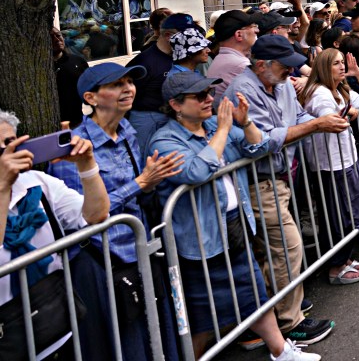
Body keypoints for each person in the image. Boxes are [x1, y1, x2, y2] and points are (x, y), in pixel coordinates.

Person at [149, 72, 319, 361]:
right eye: (199, 96)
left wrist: (247, 121)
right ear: (176, 105)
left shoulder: (215, 124)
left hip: (234, 222)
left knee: (252, 291)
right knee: (204, 315)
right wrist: (225, 130)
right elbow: (195, 172)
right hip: (200, 237)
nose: (209, 100)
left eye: (209, 93)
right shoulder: (165, 140)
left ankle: (281, 351)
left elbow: (259, 146)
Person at [53, 63, 184, 361]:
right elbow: (85, 216)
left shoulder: (127, 130)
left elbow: (138, 190)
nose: (128, 89)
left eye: (129, 82)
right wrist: (141, 183)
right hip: (102, 260)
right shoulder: (73, 149)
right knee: (125, 346)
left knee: (155, 335)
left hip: (137, 251)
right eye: (116, 85)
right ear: (91, 98)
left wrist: (151, 182)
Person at [223, 36, 342, 348]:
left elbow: (297, 118)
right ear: (261, 65)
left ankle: (266, 318)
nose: (291, 71)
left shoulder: (283, 83)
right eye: (284, 65)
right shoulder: (242, 90)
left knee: (271, 251)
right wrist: (316, 127)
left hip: (280, 177)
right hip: (257, 181)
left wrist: (322, 120)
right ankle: (290, 323)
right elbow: (261, 141)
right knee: (287, 246)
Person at [0, 110, 110, 361]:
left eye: (10, 143)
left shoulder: (36, 182)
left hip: (56, 323)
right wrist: (2, 186)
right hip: (7, 337)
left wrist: (87, 165)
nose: (6, 153)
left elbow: (96, 214)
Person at [298, 49, 359, 286]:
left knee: (352, 211)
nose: (341, 66)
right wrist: (348, 113)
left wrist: (358, 75)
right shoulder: (319, 94)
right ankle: (336, 267)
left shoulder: (338, 89)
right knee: (339, 216)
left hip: (347, 157)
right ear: (324, 67)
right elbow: (331, 121)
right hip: (330, 164)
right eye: (335, 63)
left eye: (342, 63)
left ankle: (346, 260)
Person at [127, 12, 192, 157]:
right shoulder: (144, 62)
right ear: (169, 35)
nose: (190, 38)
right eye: (185, 34)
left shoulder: (179, 57)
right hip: (146, 121)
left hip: (170, 120)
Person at [206, 10, 259, 104]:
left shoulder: (224, 59)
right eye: (252, 27)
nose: (257, 30)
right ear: (239, 35)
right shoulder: (240, 65)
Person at [53, 26, 89, 127]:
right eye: (51, 37)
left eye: (58, 35)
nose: (57, 39)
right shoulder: (39, 67)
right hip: (48, 126)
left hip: (76, 122)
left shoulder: (78, 61)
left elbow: (90, 91)